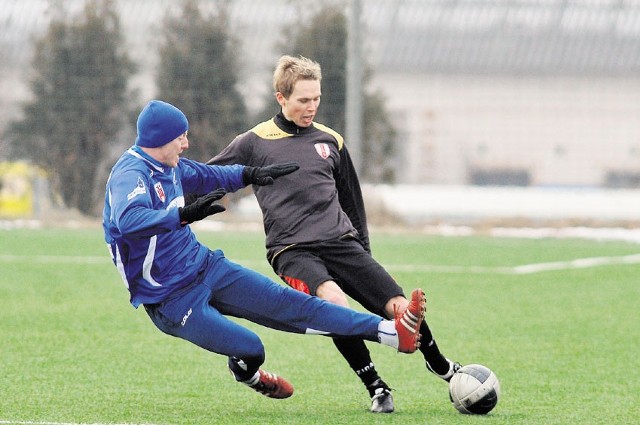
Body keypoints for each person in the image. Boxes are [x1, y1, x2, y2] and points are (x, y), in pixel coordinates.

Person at [102, 99, 427, 401]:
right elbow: (129, 220)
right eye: (181, 138)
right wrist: (183, 214)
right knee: (251, 348)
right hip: (169, 298)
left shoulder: (172, 166)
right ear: (160, 139)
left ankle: (392, 332)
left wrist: (251, 174)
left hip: (205, 267)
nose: (186, 144)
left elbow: (209, 174)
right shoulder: (130, 176)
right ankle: (249, 375)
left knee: (290, 303)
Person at [204, 55, 461, 412]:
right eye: (303, 100)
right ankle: (377, 387)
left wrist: (364, 253)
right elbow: (207, 178)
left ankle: (443, 366)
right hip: (292, 251)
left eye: (316, 99)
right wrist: (176, 208)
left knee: (398, 305)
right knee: (334, 301)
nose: (311, 107)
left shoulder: (330, 141)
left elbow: (352, 204)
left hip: (342, 243)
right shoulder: (254, 142)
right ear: (281, 97)